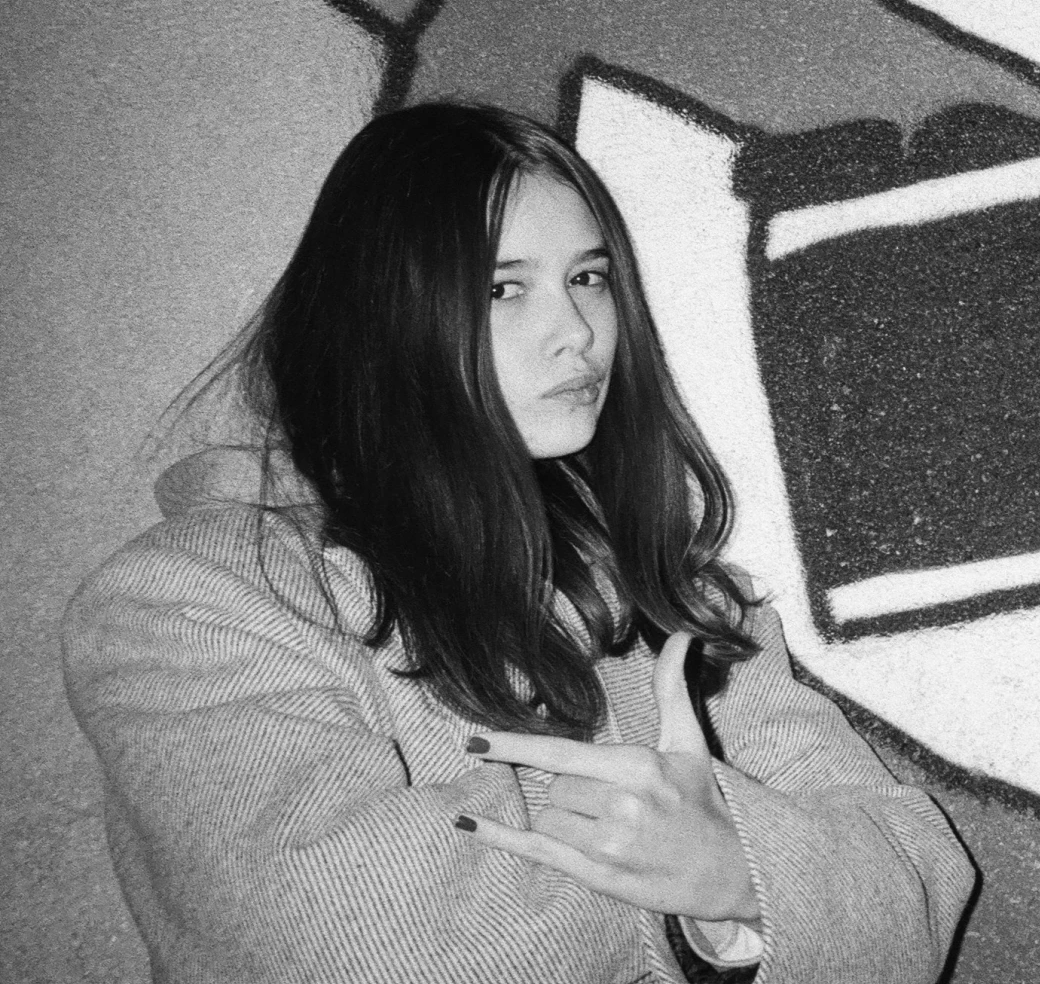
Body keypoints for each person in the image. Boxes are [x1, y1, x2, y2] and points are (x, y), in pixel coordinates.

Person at [64, 104, 976, 984]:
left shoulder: (667, 590)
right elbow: (354, 947)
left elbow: (921, 883)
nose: (577, 331)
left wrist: (735, 870)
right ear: (380, 318)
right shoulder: (192, 602)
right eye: (505, 288)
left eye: (588, 277)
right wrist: (704, 877)